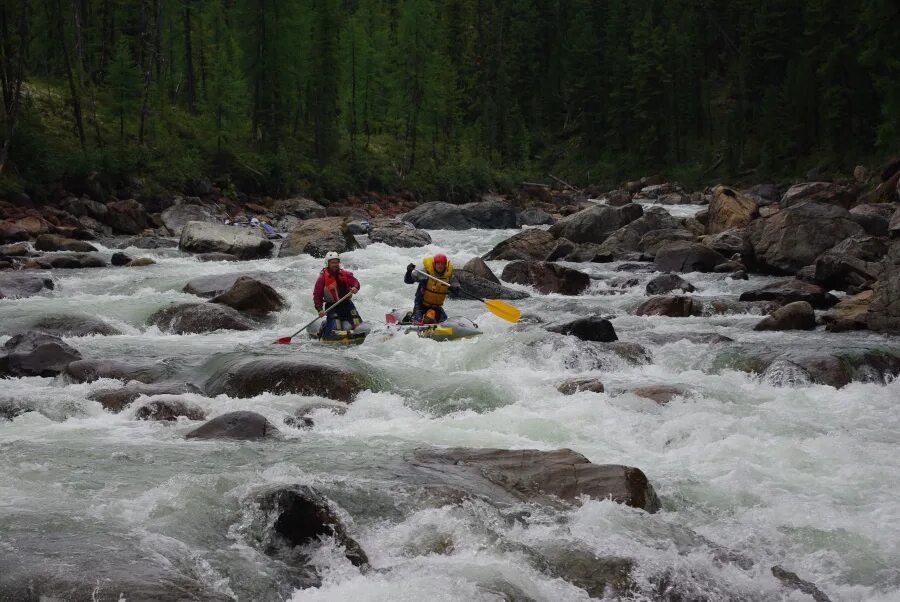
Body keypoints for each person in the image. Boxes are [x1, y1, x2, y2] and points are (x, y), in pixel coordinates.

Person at [313, 252, 361, 336]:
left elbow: (355, 282)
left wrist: (355, 287)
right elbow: (317, 295)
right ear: (328, 264)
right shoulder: (322, 278)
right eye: (332, 262)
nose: (335, 265)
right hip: (332, 306)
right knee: (335, 327)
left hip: (347, 304)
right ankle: (324, 326)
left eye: (336, 262)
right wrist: (320, 309)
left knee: (357, 324)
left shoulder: (345, 274)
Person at [404, 253, 459, 324]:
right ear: (434, 264)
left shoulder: (449, 276)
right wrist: (409, 271)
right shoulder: (425, 273)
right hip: (421, 305)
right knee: (419, 322)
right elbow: (408, 281)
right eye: (438, 264)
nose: (440, 266)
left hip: (436, 307)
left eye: (442, 264)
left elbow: (457, 292)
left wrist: (455, 289)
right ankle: (410, 316)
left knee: (444, 323)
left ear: (445, 265)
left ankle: (431, 320)